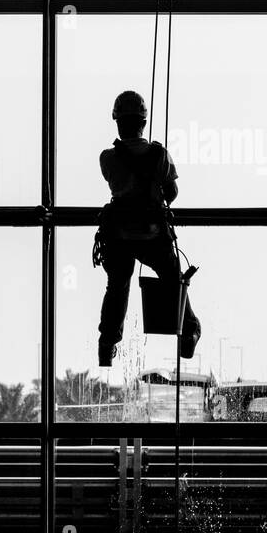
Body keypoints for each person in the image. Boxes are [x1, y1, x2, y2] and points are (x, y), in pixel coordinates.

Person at [94, 90, 201, 367]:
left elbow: (115, 185)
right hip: (152, 233)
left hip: (118, 235)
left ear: (117, 121)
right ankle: (188, 330)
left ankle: (107, 344)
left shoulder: (108, 158)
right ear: (143, 121)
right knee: (172, 277)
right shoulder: (159, 155)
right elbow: (172, 192)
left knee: (117, 285)